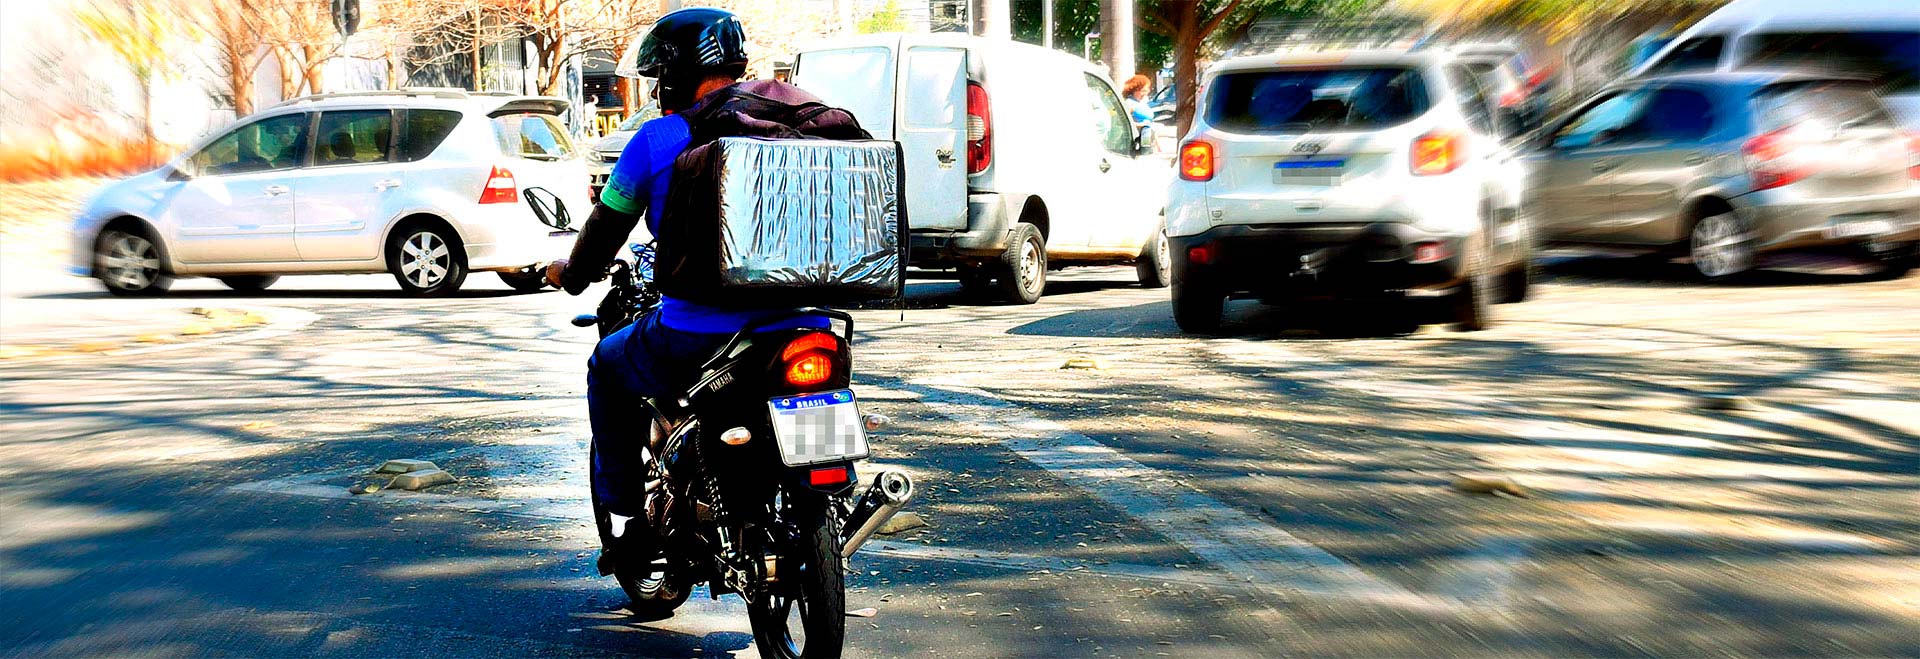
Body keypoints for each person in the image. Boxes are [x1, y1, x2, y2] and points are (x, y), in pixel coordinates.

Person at [541, 7, 830, 565]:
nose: (654, 89)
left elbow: (604, 231)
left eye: (657, 77)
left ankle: (626, 525)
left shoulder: (658, 139)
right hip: (807, 322)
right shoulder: (801, 123)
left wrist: (568, 275)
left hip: (699, 330)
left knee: (607, 366)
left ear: (673, 73)